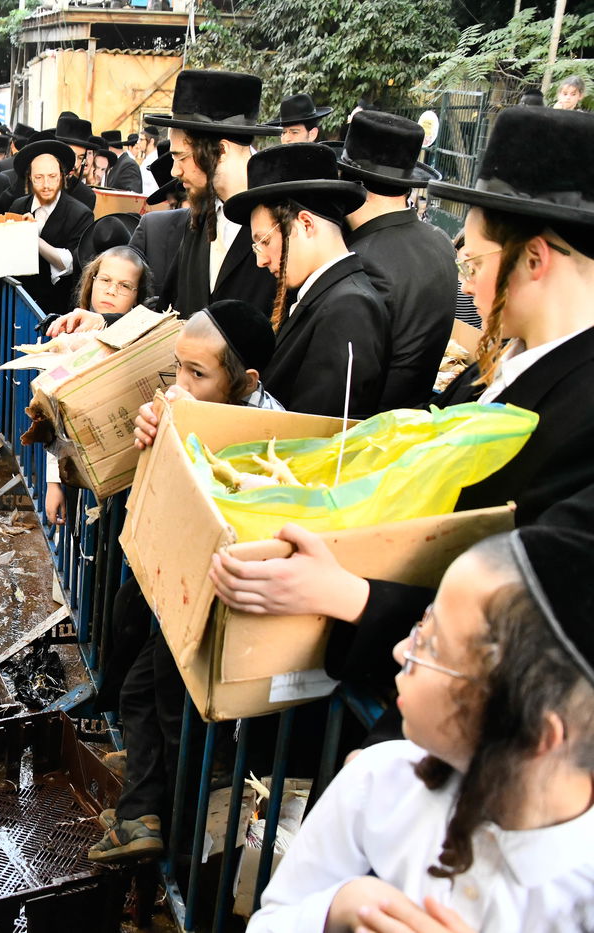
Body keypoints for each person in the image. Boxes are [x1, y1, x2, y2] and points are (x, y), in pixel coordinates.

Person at [207, 106, 594, 705]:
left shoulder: (582, 414)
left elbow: (536, 610)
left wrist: (351, 596)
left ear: (535, 260)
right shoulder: (486, 381)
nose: (463, 285)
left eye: (472, 263)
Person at [249, 527, 594, 932]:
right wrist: (338, 908)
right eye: (421, 625)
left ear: (535, 732)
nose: (400, 651)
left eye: (432, 647)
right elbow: (271, 920)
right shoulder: (381, 777)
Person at [89, 299, 280, 864]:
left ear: (245, 381)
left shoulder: (268, 432)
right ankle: (141, 815)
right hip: (176, 593)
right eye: (177, 369)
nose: (182, 385)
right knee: (141, 691)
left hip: (219, 602)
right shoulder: (189, 409)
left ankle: (173, 837)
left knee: (177, 714)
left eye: (199, 374)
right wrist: (155, 434)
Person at [223, 142, 388, 419]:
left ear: (306, 224)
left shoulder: (350, 308)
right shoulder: (323, 295)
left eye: (264, 241)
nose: (260, 260)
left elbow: (319, 433)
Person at [338, 110, 457, 409]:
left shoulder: (362, 260)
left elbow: (351, 378)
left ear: (349, 181)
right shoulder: (440, 241)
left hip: (369, 432)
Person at [145, 70, 282, 322]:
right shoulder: (199, 215)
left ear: (221, 150)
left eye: (181, 157)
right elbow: (168, 309)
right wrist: (105, 322)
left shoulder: (282, 216)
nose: (175, 171)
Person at [41, 240, 150, 524]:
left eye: (125, 286)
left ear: (138, 296)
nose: (112, 290)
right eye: (105, 280)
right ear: (92, 280)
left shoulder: (144, 342)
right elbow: (55, 415)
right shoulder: (70, 339)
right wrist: (54, 482)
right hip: (78, 472)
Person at [8, 138, 95, 318]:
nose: (46, 185)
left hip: (56, 312)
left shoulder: (80, 214)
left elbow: (70, 263)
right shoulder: (18, 206)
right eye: (39, 178)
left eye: (52, 177)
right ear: (30, 178)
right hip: (18, 306)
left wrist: (32, 236)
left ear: (62, 177)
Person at [54, 115, 99, 210]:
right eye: (70, 155)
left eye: (80, 158)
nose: (75, 164)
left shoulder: (86, 196)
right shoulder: (31, 183)